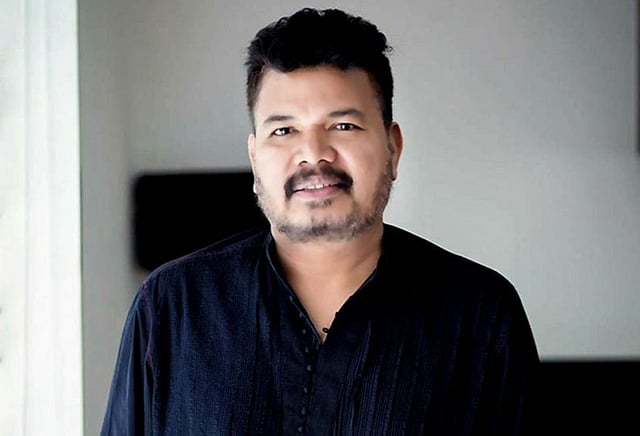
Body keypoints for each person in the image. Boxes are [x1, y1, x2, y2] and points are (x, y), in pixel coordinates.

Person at [101, 7, 539, 435]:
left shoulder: (480, 316)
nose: (313, 154)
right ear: (255, 158)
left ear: (393, 148)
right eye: (283, 131)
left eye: (343, 126)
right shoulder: (171, 307)